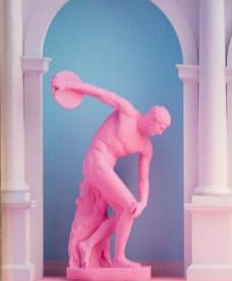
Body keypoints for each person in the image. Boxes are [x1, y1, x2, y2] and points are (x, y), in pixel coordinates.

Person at [50, 71, 171, 270]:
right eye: (161, 127)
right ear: (151, 119)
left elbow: (144, 179)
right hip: (95, 160)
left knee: (127, 211)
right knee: (128, 205)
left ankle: (87, 245)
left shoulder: (146, 146)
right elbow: (99, 93)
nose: (161, 132)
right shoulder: (127, 112)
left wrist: (144, 201)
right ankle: (119, 258)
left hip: (106, 169)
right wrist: (69, 86)